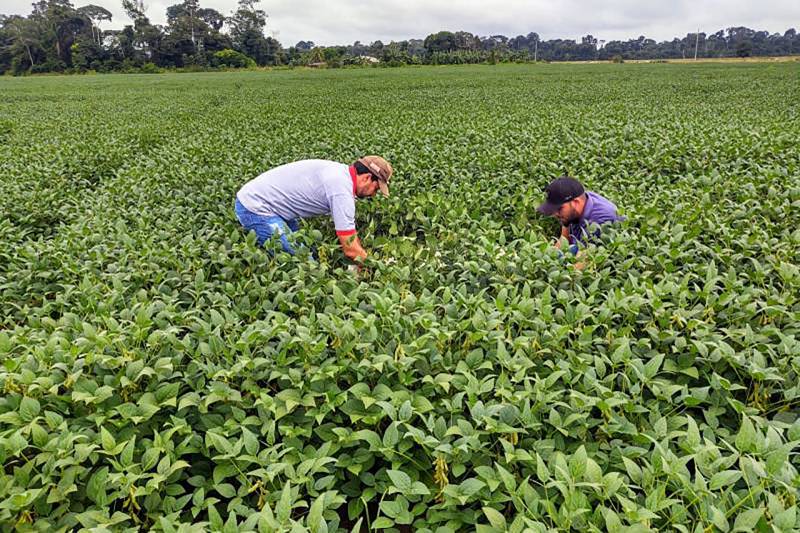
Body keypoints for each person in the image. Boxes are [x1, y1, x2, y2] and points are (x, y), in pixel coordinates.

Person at [234, 156, 392, 262]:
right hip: (256, 207)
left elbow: (349, 234)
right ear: (366, 178)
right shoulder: (340, 189)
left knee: (308, 250)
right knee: (306, 262)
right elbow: (350, 248)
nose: (373, 195)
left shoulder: (340, 173)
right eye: (376, 189)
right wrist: (374, 267)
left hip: (277, 209)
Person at [537, 176, 624, 255]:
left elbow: (583, 262)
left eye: (559, 209)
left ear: (576, 202)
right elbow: (564, 239)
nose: (555, 214)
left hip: (595, 253)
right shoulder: (573, 207)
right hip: (580, 244)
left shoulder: (600, 221)